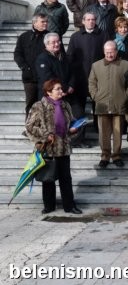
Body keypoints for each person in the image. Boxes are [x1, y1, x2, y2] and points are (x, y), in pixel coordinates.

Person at [25, 79, 82, 214]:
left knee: (66, 178)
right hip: (48, 148)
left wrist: (74, 129)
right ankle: (49, 206)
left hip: (63, 147)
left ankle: (69, 206)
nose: (61, 91)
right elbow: (30, 126)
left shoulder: (65, 105)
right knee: (48, 179)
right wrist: (45, 135)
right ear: (49, 92)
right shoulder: (39, 106)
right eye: (58, 89)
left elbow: (71, 123)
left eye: (61, 88)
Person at [88, 41, 128, 168]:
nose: (110, 54)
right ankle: (105, 156)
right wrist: (95, 96)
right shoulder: (96, 65)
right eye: (107, 52)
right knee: (103, 133)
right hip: (102, 104)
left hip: (119, 103)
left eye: (112, 51)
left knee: (118, 132)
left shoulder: (125, 65)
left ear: (116, 51)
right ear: (103, 51)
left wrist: (125, 96)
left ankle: (116, 155)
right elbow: (91, 83)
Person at [14, 14, 49, 118]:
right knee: (30, 104)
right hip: (29, 78)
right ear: (34, 23)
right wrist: (25, 68)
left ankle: (44, 129)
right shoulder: (24, 37)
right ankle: (30, 128)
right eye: (43, 22)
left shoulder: (50, 36)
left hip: (46, 77)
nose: (46, 24)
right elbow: (17, 54)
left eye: (46, 21)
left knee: (45, 104)